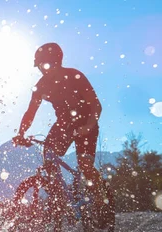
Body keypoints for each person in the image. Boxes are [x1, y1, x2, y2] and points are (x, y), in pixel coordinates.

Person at [13, 42, 103, 195]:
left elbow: (96, 104)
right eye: (40, 66)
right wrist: (21, 133)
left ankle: (102, 202)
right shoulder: (41, 86)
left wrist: (88, 126)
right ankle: (59, 199)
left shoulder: (75, 76)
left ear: (57, 62)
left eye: (45, 65)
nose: (42, 70)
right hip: (64, 124)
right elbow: (31, 112)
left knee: (85, 165)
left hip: (86, 122)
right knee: (48, 157)